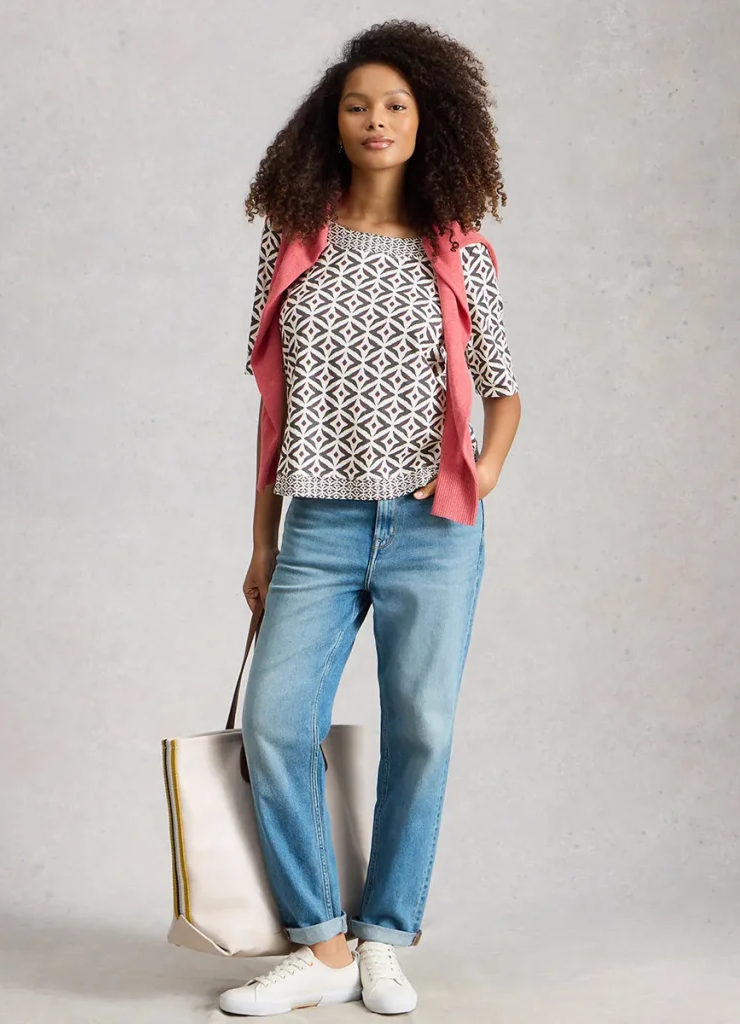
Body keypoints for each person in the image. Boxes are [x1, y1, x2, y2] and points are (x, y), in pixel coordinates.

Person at [219, 19, 522, 1017]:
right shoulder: (294, 244)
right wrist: (262, 543)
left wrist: (479, 477)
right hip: (318, 525)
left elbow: (504, 391)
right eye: (357, 105)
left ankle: (386, 935)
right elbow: (276, 409)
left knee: (421, 731)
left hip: (434, 530)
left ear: (429, 121)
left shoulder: (459, 253)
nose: (375, 120)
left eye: (394, 104)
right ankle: (323, 947)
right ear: (333, 122)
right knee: (275, 723)